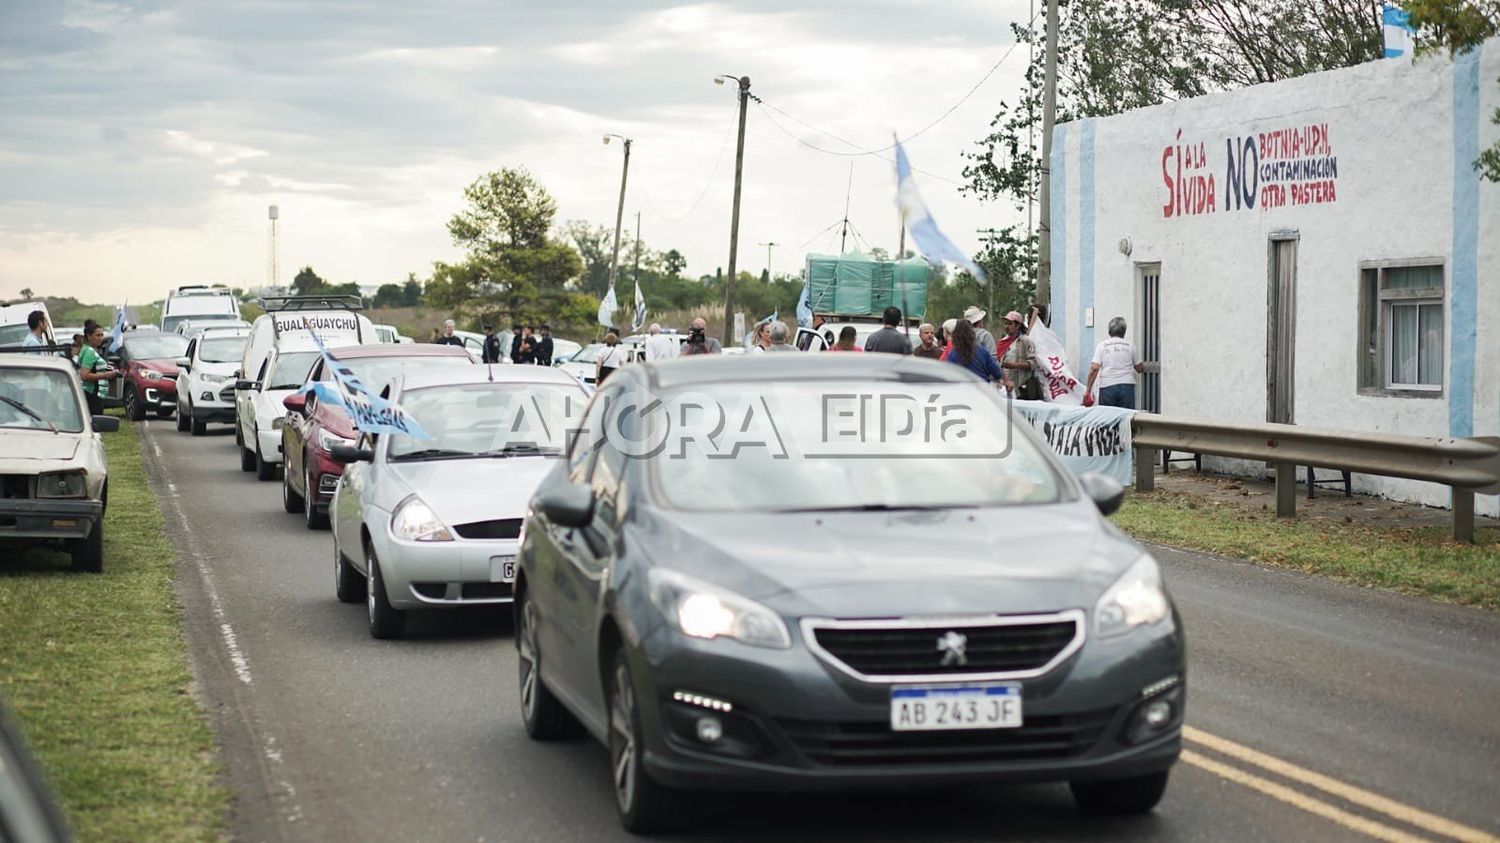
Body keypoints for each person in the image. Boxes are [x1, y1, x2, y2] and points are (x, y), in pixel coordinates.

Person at [1085, 316, 1146, 409]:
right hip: (1127, 386)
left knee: (1108, 418)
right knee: (1126, 418)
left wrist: (1088, 390)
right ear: (1124, 331)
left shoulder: (1102, 345)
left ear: (1109, 330)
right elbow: (1139, 368)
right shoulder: (1130, 345)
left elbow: (1094, 368)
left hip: (1107, 387)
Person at [77, 323, 120, 415]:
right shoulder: (89, 352)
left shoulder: (87, 349)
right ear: (89, 336)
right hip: (91, 393)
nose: (100, 338)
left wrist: (104, 366)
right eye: (97, 335)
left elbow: (91, 366)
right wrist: (106, 375)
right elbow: (84, 375)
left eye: (102, 335)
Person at [942, 319, 1003, 383]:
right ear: (972, 334)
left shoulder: (953, 355)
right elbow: (997, 374)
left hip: (962, 390)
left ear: (955, 335)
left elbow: (947, 376)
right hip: (981, 389)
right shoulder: (982, 352)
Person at [1000, 313, 1042, 400]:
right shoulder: (1003, 342)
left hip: (1021, 386)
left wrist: (1015, 365)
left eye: (1010, 324)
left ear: (1017, 325)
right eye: (1006, 323)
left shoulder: (1025, 341)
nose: (1007, 326)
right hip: (1006, 386)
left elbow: (1033, 364)